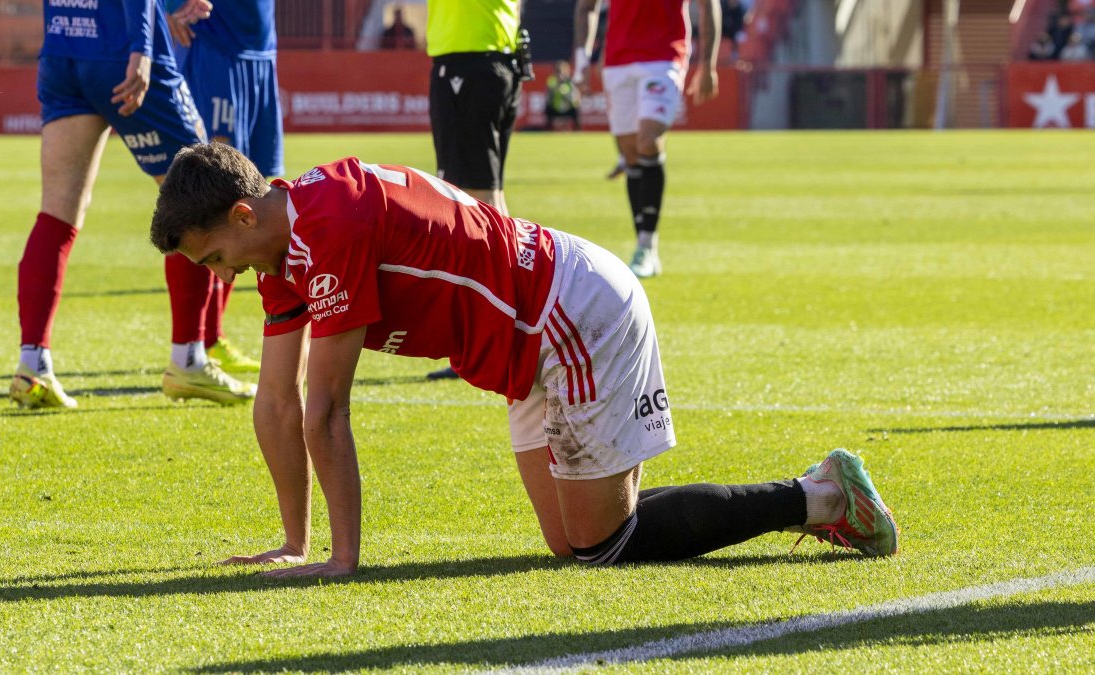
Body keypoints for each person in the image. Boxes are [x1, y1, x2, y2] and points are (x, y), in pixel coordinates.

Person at [149, 143, 900, 577]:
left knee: (603, 544)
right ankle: (767, 492)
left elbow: (327, 407)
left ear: (244, 214)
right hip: (528, 344)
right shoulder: (281, 253)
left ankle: (823, 495)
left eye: (214, 256)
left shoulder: (331, 226)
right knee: (572, 541)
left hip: (570, 316)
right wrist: (294, 545)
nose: (220, 276)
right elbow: (278, 401)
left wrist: (342, 562)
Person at [11, 0, 256, 409]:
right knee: (202, 192)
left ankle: (31, 364)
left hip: (63, 51)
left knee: (57, 212)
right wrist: (142, 50)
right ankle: (189, 359)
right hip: (123, 52)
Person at [162, 0, 285, 380]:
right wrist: (164, 8)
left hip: (261, 54)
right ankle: (187, 352)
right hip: (214, 48)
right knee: (204, 201)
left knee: (256, 197)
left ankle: (212, 340)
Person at [573, 0, 721, 278]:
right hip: (617, 61)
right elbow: (586, 7)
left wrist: (707, 65)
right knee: (630, 154)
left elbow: (708, 5)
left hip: (664, 58)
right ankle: (642, 241)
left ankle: (647, 246)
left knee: (647, 140)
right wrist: (582, 59)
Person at [423, 0, 528, 380]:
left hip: (468, 59)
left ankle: (492, 338)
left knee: (474, 202)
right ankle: (509, 329)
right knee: (490, 199)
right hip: (496, 57)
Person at [544, 60, 581, 130]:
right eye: (557, 72)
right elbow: (548, 97)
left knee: (576, 110)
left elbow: (576, 99)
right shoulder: (552, 81)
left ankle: (578, 130)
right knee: (547, 109)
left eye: (561, 72)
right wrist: (554, 90)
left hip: (568, 108)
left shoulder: (569, 82)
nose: (559, 74)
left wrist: (566, 94)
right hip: (555, 109)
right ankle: (548, 130)